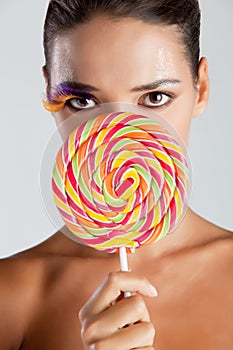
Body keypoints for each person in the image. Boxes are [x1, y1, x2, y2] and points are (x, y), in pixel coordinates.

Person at [0, 0, 232, 349]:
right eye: (82, 101)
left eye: (155, 97)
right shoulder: (10, 299)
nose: (120, 135)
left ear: (201, 88)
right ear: (49, 90)